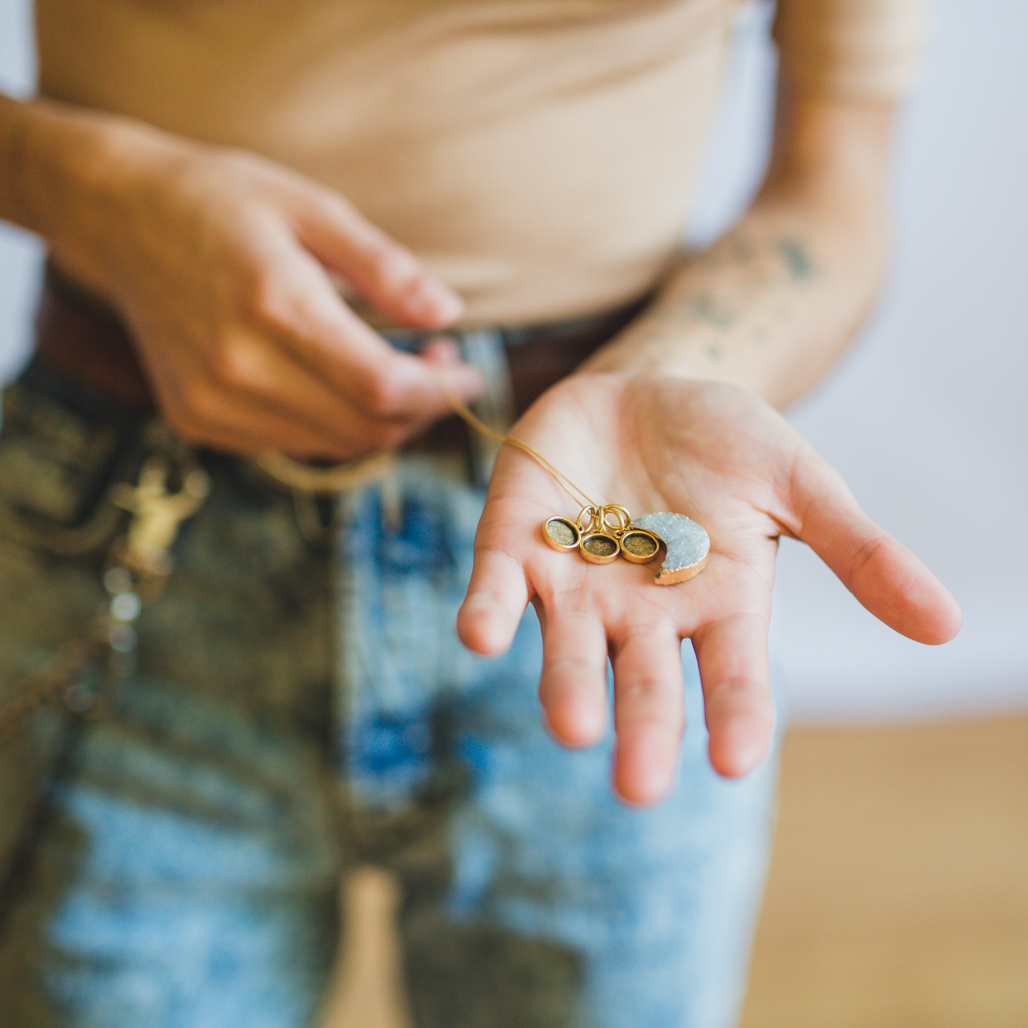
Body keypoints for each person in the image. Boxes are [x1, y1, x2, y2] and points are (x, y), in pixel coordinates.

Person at [0, 0, 960, 1025]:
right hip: (131, 530)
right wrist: (91, 191)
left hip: (599, 593)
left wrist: (678, 370)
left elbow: (835, 182)